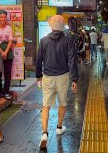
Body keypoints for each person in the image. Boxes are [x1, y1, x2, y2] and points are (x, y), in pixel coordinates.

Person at [36, 15, 79, 149]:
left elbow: (39, 60)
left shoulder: (43, 41)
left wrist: (38, 76)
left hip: (48, 77)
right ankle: (59, 127)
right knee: (63, 103)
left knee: (46, 105)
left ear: (50, 26)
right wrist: (75, 79)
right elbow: (72, 60)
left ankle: (44, 133)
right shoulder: (68, 41)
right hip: (63, 77)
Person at [0, 10, 14, 100]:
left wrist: (6, 52)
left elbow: (10, 40)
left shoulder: (9, 28)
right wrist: (1, 52)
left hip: (8, 52)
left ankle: (6, 92)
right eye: (1, 17)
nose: (3, 19)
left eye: (4, 17)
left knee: (8, 74)